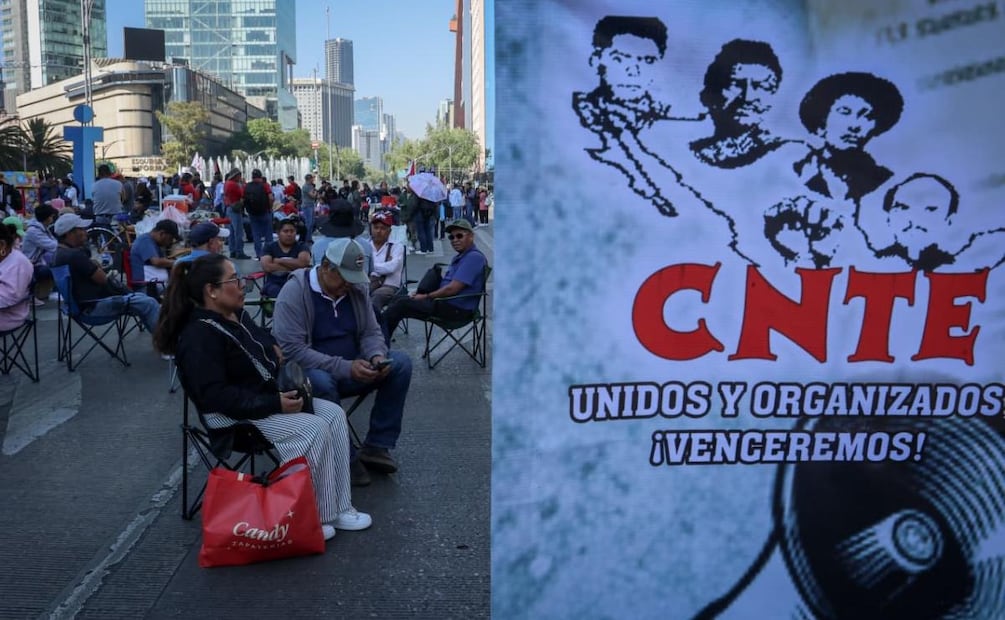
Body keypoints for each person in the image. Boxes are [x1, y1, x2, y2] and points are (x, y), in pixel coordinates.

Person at [153, 254, 371, 540]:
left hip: (265, 400)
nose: (243, 286)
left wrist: (273, 346)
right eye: (235, 280)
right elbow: (214, 396)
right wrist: (274, 404)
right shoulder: (198, 336)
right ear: (212, 290)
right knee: (313, 428)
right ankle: (306, 516)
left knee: (333, 413)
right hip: (235, 419)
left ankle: (335, 507)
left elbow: (262, 337)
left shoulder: (236, 314)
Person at [272, 237, 413, 487]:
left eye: (352, 278)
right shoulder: (294, 292)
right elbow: (293, 351)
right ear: (326, 266)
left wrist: (376, 356)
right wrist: (346, 367)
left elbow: (371, 332)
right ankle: (344, 457)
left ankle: (377, 445)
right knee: (320, 380)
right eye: (343, 278)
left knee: (400, 364)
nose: (348, 285)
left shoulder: (355, 289)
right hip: (311, 375)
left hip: (353, 369)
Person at [794, 72, 904, 202]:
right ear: (823, 121)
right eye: (844, 112)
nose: (855, 125)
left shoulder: (884, 182)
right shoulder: (796, 170)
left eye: (867, 116)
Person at [51, 214, 161, 331]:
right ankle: (165, 341)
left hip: (77, 308)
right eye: (81, 229)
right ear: (69, 233)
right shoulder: (75, 256)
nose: (85, 232)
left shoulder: (58, 255)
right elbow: (102, 278)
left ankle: (161, 339)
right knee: (150, 303)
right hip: (94, 307)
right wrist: (93, 264)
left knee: (141, 299)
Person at [689, 39, 788, 169]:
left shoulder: (792, 156)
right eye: (736, 85)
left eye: (761, 86)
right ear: (715, 91)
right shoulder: (690, 153)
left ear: (774, 93)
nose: (748, 97)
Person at [382, 219, 488, 339]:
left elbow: (452, 289)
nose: (455, 240)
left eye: (459, 236)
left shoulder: (473, 257)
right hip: (444, 303)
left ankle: (380, 345)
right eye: (451, 237)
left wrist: (426, 296)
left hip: (457, 310)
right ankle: (378, 341)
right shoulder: (461, 256)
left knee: (401, 304)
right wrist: (421, 293)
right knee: (398, 299)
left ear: (471, 236)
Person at [572, 15, 670, 137]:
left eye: (648, 61)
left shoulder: (669, 117)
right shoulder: (578, 112)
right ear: (596, 60)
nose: (634, 72)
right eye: (619, 59)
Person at [260, 219, 311, 297]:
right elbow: (267, 267)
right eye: (285, 231)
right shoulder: (269, 247)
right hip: (274, 283)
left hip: (297, 282)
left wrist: (279, 261)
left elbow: (303, 263)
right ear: (278, 233)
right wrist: (294, 266)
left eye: (292, 231)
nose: (289, 234)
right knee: (274, 291)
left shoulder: (302, 246)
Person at [367, 211, 405, 311]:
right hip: (367, 282)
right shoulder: (365, 245)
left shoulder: (397, 246)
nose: (379, 231)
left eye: (383, 228)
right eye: (376, 228)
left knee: (377, 297)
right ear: (371, 229)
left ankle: (375, 324)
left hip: (389, 285)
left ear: (389, 230)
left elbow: (391, 267)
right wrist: (383, 266)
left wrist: (369, 266)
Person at [0, 220, 33, 331]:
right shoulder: (6, 259)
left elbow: (7, 298)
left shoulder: (18, 264)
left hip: (7, 317)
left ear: (2, 245)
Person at [20, 203, 58, 299]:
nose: (53, 219)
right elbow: (52, 245)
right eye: (52, 216)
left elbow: (53, 242)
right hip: (30, 265)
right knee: (54, 268)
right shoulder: (34, 231)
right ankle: (40, 294)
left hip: (37, 262)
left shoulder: (42, 228)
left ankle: (49, 291)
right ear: (48, 218)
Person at [130, 219, 180, 288]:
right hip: (148, 285)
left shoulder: (153, 242)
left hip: (155, 282)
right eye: (170, 239)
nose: (170, 242)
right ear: (162, 233)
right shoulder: (145, 241)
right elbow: (157, 262)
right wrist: (179, 262)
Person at [243, 169, 274, 259]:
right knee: (268, 234)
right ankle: (268, 254)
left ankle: (259, 254)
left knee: (256, 234)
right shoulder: (265, 185)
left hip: (252, 213)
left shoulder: (247, 186)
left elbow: (242, 199)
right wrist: (270, 208)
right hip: (265, 212)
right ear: (261, 176)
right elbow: (271, 198)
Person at [222, 168, 250, 259]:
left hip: (228, 208)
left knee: (232, 231)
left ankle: (232, 251)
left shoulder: (226, 183)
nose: (240, 177)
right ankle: (239, 252)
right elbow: (242, 194)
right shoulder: (234, 184)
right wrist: (242, 185)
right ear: (236, 176)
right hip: (235, 209)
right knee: (238, 231)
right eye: (239, 175)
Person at [301, 173, 317, 244]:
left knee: (312, 222)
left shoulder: (310, 186)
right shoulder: (306, 186)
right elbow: (312, 196)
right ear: (309, 179)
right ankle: (306, 238)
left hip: (311, 205)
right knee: (308, 223)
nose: (313, 180)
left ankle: (309, 237)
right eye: (312, 178)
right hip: (307, 206)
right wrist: (316, 192)